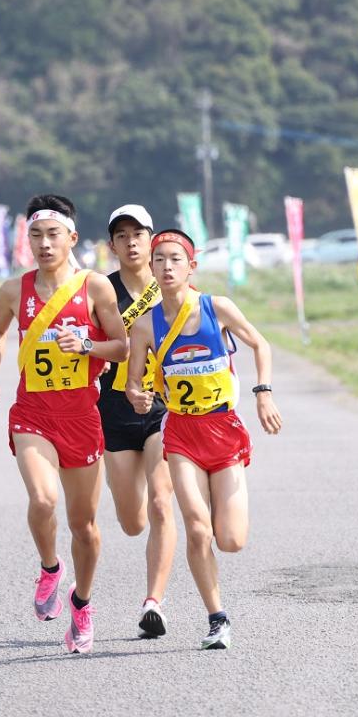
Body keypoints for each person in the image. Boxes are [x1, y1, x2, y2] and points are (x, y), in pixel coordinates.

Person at [0, 194, 129, 654]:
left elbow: (121, 347)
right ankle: (49, 568)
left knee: (84, 526)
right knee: (43, 499)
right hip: (32, 414)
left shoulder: (96, 287)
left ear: (72, 239)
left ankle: (81, 602)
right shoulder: (13, 290)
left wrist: (86, 346)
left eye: (53, 235)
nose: (44, 244)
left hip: (81, 417)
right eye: (36, 236)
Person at [125, 229, 282, 650]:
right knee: (197, 530)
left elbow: (259, 344)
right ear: (152, 269)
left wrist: (263, 393)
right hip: (181, 434)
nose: (167, 266)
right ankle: (217, 618)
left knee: (231, 540)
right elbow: (133, 383)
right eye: (159, 260)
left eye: (176, 259)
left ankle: (221, 508)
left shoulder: (218, 308)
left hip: (223, 430)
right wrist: (138, 397)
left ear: (191, 266)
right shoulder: (145, 324)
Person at [97, 205, 175, 638]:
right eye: (121, 235)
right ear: (112, 245)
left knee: (163, 501)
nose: (130, 242)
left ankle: (153, 603)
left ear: (151, 239)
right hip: (112, 413)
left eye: (138, 234)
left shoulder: (172, 289)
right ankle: (133, 494)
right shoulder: (100, 293)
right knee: (133, 521)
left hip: (163, 412)